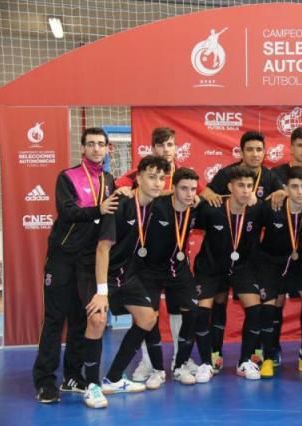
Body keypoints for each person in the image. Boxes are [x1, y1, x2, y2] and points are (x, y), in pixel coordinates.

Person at [33, 127, 118, 404]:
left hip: (88, 262)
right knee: (55, 321)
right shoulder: (67, 176)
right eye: (91, 144)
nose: (96, 149)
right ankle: (45, 381)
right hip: (61, 258)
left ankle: (72, 376)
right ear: (83, 148)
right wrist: (98, 209)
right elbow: (67, 211)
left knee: (82, 319)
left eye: (100, 144)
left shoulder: (109, 180)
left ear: (108, 149)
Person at [80, 155, 171, 408]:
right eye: (151, 177)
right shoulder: (120, 202)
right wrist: (101, 292)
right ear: (138, 178)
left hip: (126, 275)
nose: (157, 183)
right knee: (97, 319)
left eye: (161, 178)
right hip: (98, 271)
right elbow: (102, 249)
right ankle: (92, 386)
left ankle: (113, 378)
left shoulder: (156, 203)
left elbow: (181, 194)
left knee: (147, 318)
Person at [117, 127, 205, 381]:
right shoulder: (144, 172)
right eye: (161, 146)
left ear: (176, 147)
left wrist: (199, 195)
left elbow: (204, 194)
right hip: (146, 261)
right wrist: (124, 189)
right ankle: (149, 364)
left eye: (170, 145)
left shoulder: (186, 176)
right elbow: (122, 186)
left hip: (176, 261)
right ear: (153, 148)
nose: (166, 150)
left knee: (183, 311)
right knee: (148, 315)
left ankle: (182, 361)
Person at [199, 131, 286, 371]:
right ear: (241, 152)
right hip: (218, 254)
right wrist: (209, 195)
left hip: (248, 256)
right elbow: (206, 193)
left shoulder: (270, 176)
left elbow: (283, 197)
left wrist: (281, 192)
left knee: (255, 306)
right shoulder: (228, 173)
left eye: (259, 150)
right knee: (217, 302)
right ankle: (214, 353)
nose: (255, 154)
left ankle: (251, 355)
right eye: (250, 149)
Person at [137, 167, 210, 386]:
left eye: (193, 189)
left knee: (192, 312)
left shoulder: (197, 209)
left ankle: (179, 365)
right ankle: (156, 369)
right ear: (173, 188)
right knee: (149, 318)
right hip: (149, 271)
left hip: (178, 270)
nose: (189, 194)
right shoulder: (155, 206)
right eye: (184, 189)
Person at [194, 166, 267, 380]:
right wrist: (199, 197)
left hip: (243, 268)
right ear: (229, 187)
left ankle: (244, 362)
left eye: (249, 186)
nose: (245, 190)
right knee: (203, 312)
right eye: (240, 185)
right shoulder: (212, 209)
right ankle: (207, 362)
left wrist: (280, 193)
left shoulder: (257, 210)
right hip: (211, 268)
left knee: (255, 310)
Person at [255, 166, 302, 377]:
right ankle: (269, 356)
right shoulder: (272, 206)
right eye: (294, 187)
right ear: (285, 188)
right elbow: (251, 228)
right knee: (271, 305)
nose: (298, 191)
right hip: (271, 262)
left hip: (300, 264)